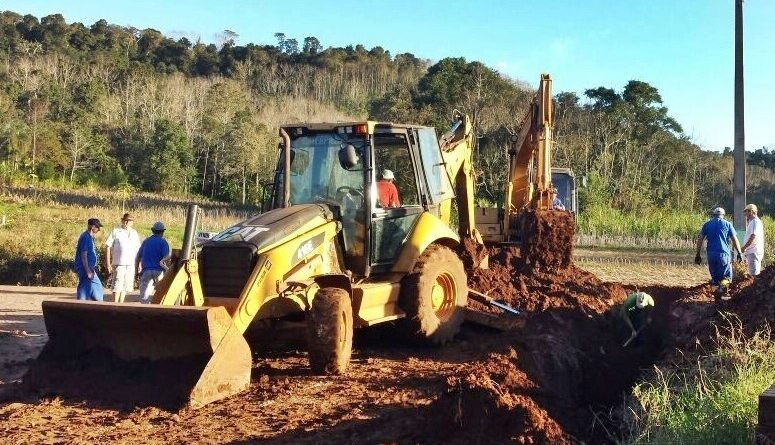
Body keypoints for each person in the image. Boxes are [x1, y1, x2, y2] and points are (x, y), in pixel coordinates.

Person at [695, 207, 744, 297]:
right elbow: (734, 239)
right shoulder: (727, 224)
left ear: (713, 215)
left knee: (715, 279)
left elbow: (700, 239)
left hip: (711, 255)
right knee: (727, 278)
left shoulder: (707, 224)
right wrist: (739, 253)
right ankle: (722, 291)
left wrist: (698, 254)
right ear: (723, 215)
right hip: (723, 254)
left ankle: (717, 299)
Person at [104, 212, 140, 303]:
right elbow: (108, 246)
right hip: (119, 263)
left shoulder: (134, 233)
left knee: (126, 286)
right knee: (117, 285)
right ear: (123, 221)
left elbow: (138, 249)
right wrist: (108, 263)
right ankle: (115, 304)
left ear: (132, 222)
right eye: (126, 221)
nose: (127, 223)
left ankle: (121, 304)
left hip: (131, 264)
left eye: (130, 221)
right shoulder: (116, 231)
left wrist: (139, 263)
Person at [135, 221, 171, 304]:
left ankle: (144, 311)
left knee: (144, 297)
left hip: (146, 271)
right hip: (159, 271)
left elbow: (137, 257)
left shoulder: (146, 241)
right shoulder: (163, 242)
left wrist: (136, 272)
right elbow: (167, 258)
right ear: (162, 232)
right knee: (161, 294)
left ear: (153, 230)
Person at [74, 218, 104, 301]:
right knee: (92, 285)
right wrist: (87, 271)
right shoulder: (85, 237)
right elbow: (84, 255)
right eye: (97, 227)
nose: (98, 230)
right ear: (93, 227)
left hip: (88, 267)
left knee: (88, 286)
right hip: (85, 268)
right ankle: (84, 303)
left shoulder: (89, 237)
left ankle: (88, 302)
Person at [741, 203, 765, 276]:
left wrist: (745, 247)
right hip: (752, 252)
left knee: (754, 276)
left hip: (753, 252)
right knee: (753, 275)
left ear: (752, 211)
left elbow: (753, 235)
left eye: (747, 211)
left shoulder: (755, 221)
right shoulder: (753, 222)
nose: (745, 214)